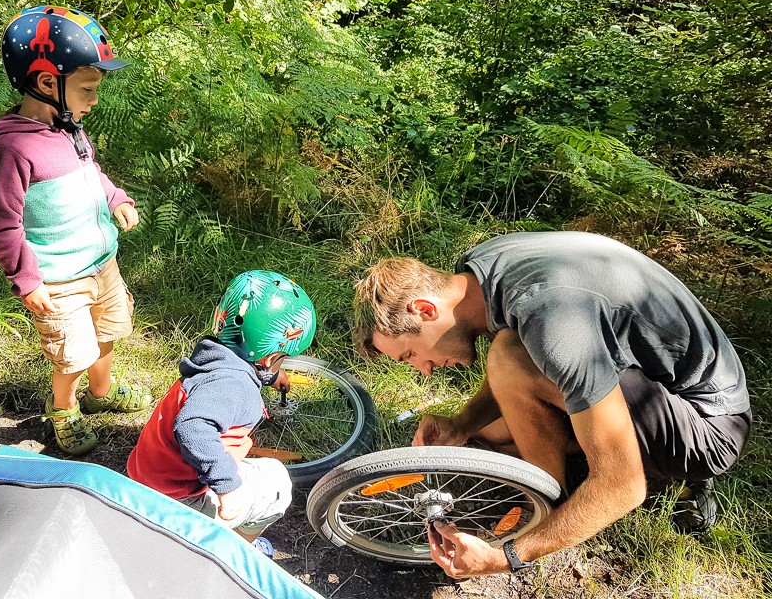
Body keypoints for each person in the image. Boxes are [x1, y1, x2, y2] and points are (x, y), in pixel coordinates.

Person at [352, 231, 751, 578]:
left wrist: (506, 556)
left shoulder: (551, 315)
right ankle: (550, 478)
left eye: (409, 355)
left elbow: (624, 486)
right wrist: (464, 423)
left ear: (424, 309)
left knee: (509, 356)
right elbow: (529, 364)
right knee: (491, 431)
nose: (423, 370)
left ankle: (541, 506)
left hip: (707, 427)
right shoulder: (481, 271)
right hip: (651, 378)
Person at [0, 5, 151, 456]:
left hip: (102, 264)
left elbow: (89, 171)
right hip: (58, 278)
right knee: (71, 353)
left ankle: (101, 394)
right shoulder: (14, 148)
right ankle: (63, 410)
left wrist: (114, 196)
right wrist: (27, 279)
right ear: (46, 83)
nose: (94, 99)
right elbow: (2, 223)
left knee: (108, 331)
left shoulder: (68, 128)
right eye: (88, 88)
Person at [127, 270, 316, 555]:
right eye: (281, 359)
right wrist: (228, 487)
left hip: (146, 472)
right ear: (269, 357)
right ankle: (234, 552)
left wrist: (268, 376)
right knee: (276, 485)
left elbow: (231, 371)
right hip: (176, 497)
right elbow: (193, 427)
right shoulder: (235, 386)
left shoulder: (214, 358)